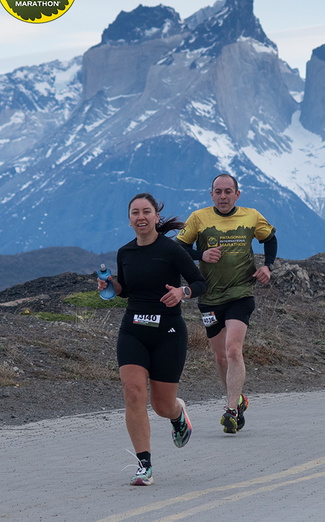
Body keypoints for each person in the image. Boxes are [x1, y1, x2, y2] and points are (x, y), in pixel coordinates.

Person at [97, 193, 207, 486]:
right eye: (135, 212)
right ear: (129, 219)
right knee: (133, 392)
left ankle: (177, 413)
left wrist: (182, 292)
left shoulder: (172, 250)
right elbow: (126, 290)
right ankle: (143, 465)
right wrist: (111, 285)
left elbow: (200, 283)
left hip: (168, 334)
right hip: (133, 330)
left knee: (162, 406)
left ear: (157, 217)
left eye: (146, 211)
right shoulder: (125, 252)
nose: (141, 217)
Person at [175, 174, 277, 434]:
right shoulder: (198, 218)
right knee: (221, 357)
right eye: (218, 192)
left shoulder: (251, 216)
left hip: (241, 293)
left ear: (237, 194)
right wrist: (201, 254)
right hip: (210, 296)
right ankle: (238, 399)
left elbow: (270, 239)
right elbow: (179, 249)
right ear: (211, 194)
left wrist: (268, 266)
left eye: (228, 191)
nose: (223, 196)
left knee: (233, 350)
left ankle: (231, 411)